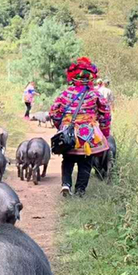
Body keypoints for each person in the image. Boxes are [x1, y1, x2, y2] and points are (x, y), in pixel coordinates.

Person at [49, 57, 111, 198]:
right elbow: (105, 114)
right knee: (85, 162)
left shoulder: (65, 94)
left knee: (68, 160)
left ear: (73, 77)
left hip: (68, 132)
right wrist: (104, 132)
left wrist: (62, 127)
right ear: (90, 78)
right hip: (87, 134)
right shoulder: (95, 94)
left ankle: (66, 184)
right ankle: (80, 191)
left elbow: (54, 112)